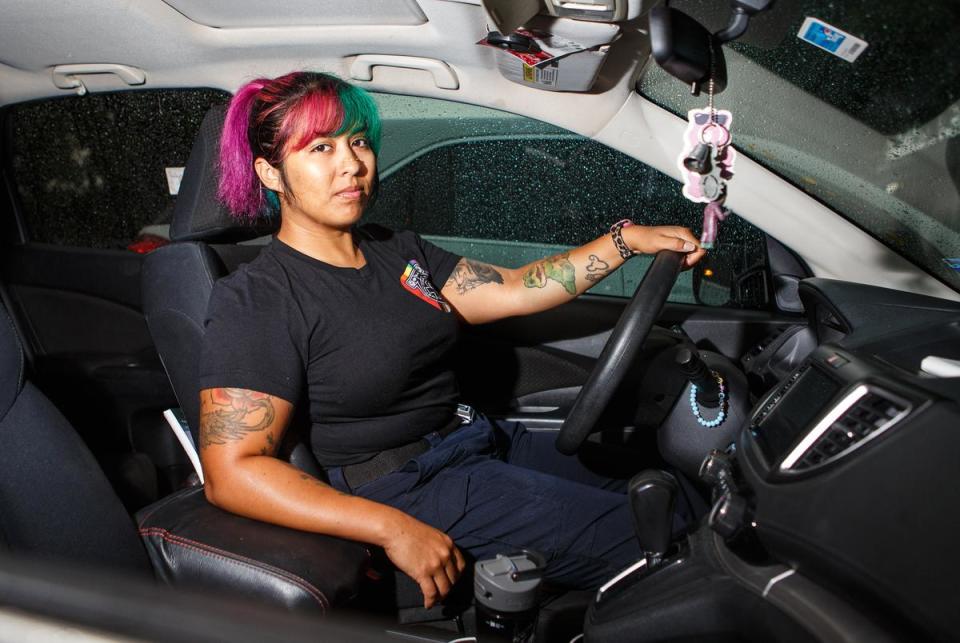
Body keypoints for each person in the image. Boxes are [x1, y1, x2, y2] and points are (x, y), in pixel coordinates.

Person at [198, 71, 706, 609]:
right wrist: (390, 527)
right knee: (666, 540)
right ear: (270, 174)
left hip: (474, 439)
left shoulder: (394, 249)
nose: (351, 163)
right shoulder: (258, 299)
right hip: (405, 486)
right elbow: (233, 472)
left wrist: (623, 241)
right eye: (321, 147)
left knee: (674, 493)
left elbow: (513, 288)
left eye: (359, 141)